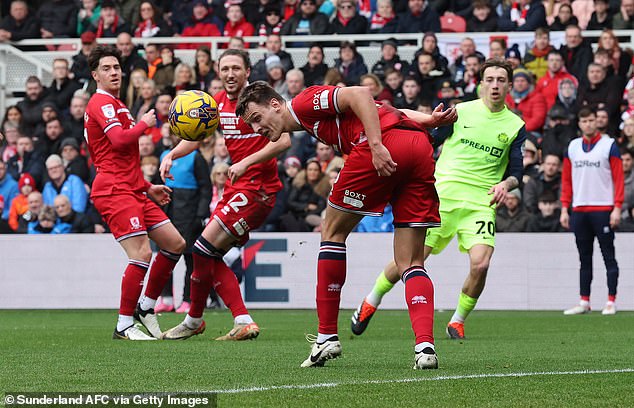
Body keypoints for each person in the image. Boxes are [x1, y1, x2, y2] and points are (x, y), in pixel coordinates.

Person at [235, 76, 457, 368]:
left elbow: (361, 94)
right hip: (417, 144)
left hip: (381, 143)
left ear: (275, 104)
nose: (256, 128)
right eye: (251, 125)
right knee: (410, 262)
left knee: (332, 232)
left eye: (256, 118)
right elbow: (387, 109)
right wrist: (429, 119)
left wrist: (376, 144)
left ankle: (326, 337)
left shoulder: (303, 103)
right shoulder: (305, 121)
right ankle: (425, 348)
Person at [351, 58, 526, 342]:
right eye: (490, 79)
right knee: (410, 261)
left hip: (480, 204)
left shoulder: (515, 125)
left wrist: (506, 183)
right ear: (481, 84)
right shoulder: (462, 112)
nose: (495, 85)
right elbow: (427, 140)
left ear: (509, 85)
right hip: (441, 196)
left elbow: (517, 171)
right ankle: (371, 300)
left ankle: (457, 321)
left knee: (481, 264)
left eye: (501, 80)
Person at [159, 49, 291, 341]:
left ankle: (195, 320)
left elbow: (284, 140)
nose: (230, 74)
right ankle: (237, 320)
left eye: (236, 68)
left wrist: (246, 162)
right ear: (219, 72)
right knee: (207, 253)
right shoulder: (216, 103)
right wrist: (171, 155)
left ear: (247, 72)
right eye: (225, 68)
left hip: (258, 190)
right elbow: (196, 137)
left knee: (203, 249)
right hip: (237, 190)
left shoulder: (258, 102)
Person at [85, 44, 186, 340]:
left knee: (175, 243)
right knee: (141, 252)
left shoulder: (118, 105)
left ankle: (146, 306)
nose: (114, 72)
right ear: (95, 75)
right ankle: (124, 324)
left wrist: (147, 186)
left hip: (133, 188)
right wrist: (144, 123)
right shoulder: (101, 103)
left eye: (116, 67)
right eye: (106, 68)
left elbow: (123, 158)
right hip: (113, 190)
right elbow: (117, 140)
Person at [560, 108, 624, 316]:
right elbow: (566, 180)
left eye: (591, 120)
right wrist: (564, 207)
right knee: (584, 258)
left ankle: (610, 301)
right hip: (579, 209)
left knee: (608, 257)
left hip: (603, 208)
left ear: (597, 122)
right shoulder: (573, 147)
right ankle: (584, 301)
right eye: (584, 120)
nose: (588, 124)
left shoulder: (609, 145)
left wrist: (617, 207)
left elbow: (618, 179)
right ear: (579, 123)